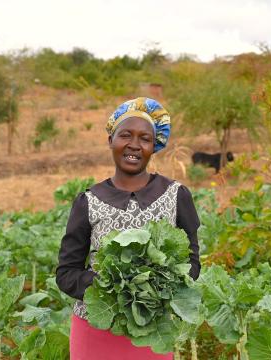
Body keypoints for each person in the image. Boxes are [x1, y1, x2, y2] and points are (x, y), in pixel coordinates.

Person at [56, 97, 201, 360]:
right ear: (111, 140)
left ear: (154, 146)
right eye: (125, 135)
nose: (134, 145)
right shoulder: (88, 201)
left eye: (145, 138)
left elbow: (191, 263)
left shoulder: (176, 195)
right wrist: (110, 285)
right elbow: (66, 273)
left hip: (152, 329)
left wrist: (153, 286)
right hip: (95, 327)